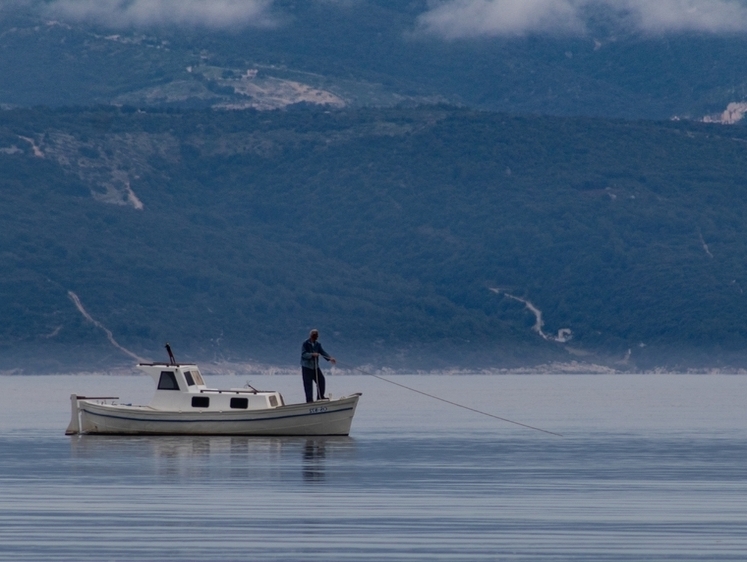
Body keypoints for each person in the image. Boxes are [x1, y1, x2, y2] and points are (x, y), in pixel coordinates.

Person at [300, 329, 336, 403]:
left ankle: (320, 397)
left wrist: (330, 358)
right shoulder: (305, 343)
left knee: (321, 380)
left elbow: (322, 352)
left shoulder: (318, 344)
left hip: (315, 367)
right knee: (308, 384)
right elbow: (303, 354)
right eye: (314, 335)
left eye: (316, 335)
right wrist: (312, 354)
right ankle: (309, 400)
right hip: (307, 367)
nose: (315, 337)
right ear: (311, 336)